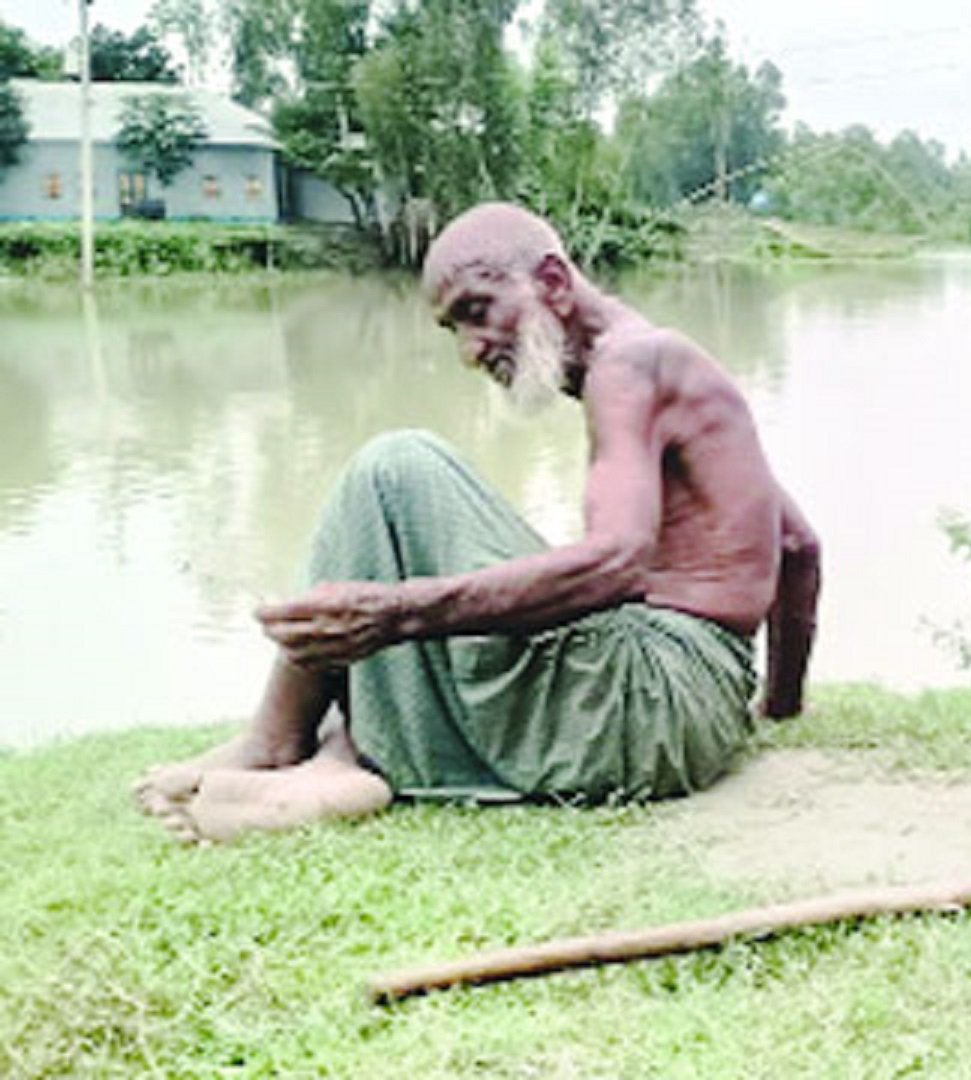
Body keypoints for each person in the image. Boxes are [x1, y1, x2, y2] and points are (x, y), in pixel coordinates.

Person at [134, 202, 821, 843]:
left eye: (477, 310)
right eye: (453, 327)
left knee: (397, 467)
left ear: (552, 281)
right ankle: (336, 753)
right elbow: (796, 545)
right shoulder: (662, 364)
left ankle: (281, 746)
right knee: (434, 561)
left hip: (647, 710)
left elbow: (619, 561)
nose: (469, 350)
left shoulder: (630, 362)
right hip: (698, 714)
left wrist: (396, 613)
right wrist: (773, 709)